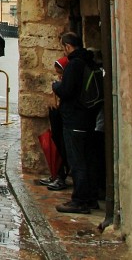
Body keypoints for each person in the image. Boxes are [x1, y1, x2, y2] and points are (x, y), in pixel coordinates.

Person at [52, 32, 101, 214]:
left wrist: (56, 86)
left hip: (75, 119)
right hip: (89, 118)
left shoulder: (74, 65)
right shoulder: (90, 61)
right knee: (88, 159)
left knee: (77, 160)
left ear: (67, 46)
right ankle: (91, 198)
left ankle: (79, 200)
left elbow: (67, 91)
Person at [37, 56, 70, 189]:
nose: (59, 75)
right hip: (58, 119)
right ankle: (56, 174)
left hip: (65, 121)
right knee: (59, 147)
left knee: (64, 150)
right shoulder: (61, 82)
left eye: (60, 72)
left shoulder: (65, 84)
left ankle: (61, 177)